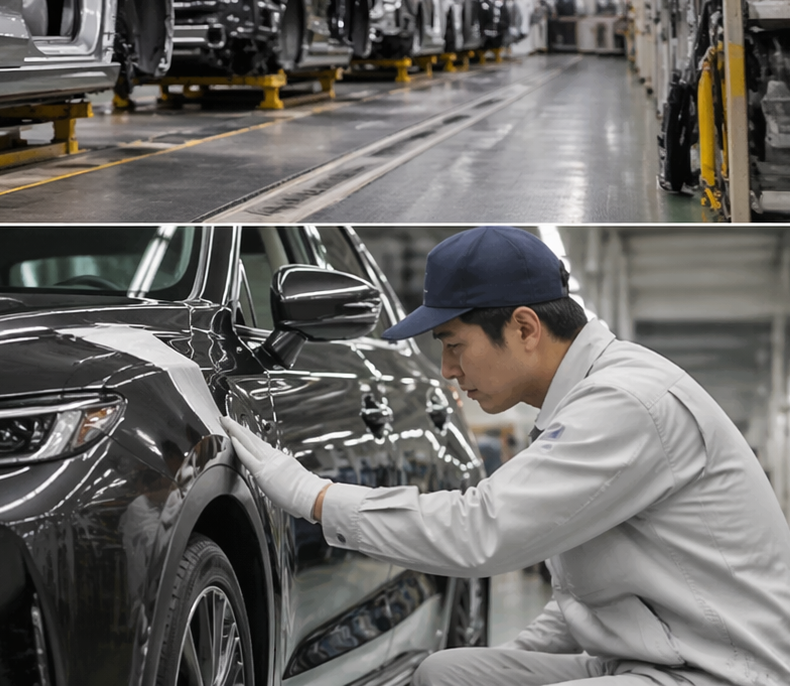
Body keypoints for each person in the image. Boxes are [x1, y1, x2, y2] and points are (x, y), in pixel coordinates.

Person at [223, 225, 790, 686]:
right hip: (648, 660)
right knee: (449, 674)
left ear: (523, 327)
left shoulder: (626, 403)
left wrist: (313, 496)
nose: (446, 369)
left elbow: (480, 530)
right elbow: (591, 588)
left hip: (720, 672)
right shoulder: (582, 403)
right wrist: (510, 666)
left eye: (452, 344)